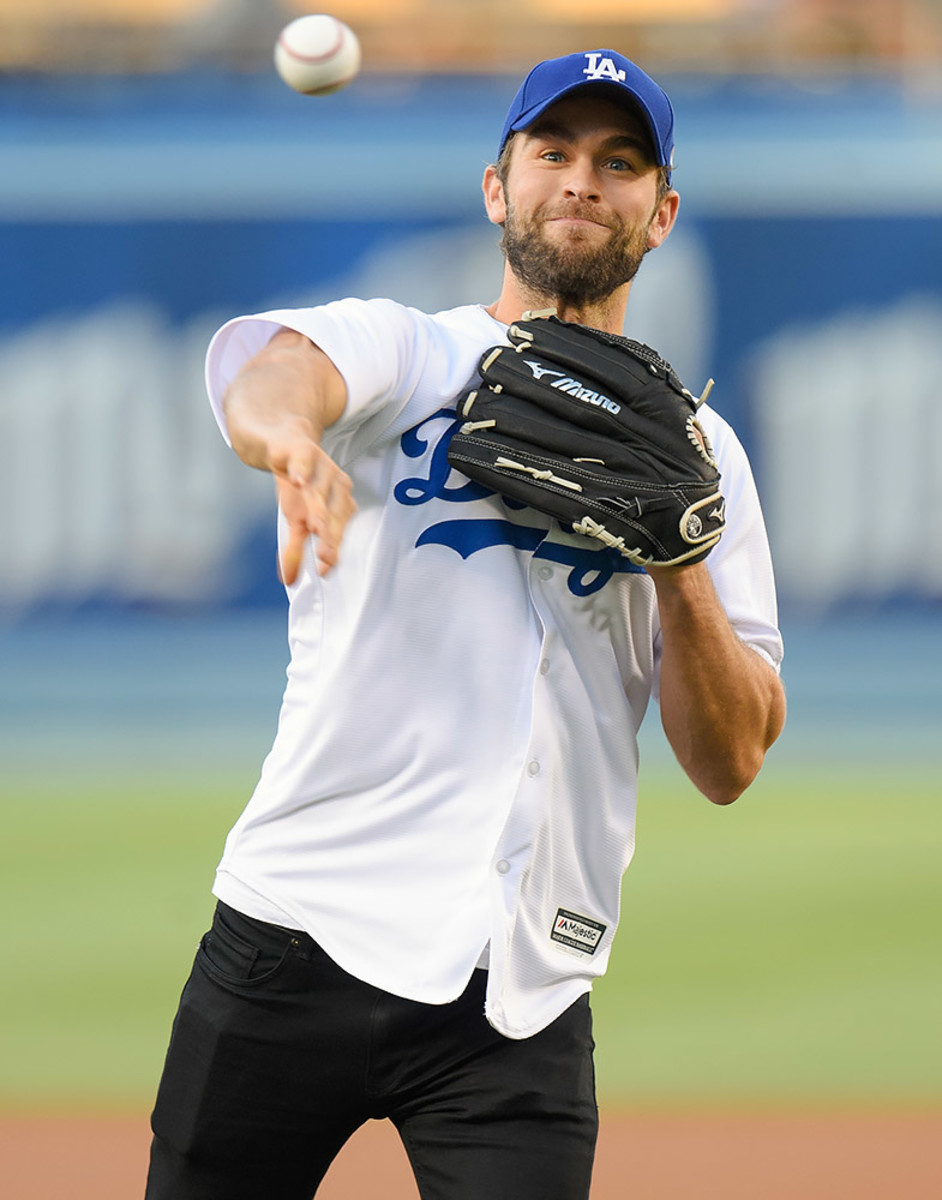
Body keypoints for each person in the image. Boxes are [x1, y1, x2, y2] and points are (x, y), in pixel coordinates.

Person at [145, 48, 786, 1200]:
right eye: (552, 152)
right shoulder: (413, 352)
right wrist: (287, 438)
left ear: (663, 210)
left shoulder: (706, 460)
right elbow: (278, 374)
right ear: (498, 187)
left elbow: (731, 759)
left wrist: (683, 567)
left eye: (619, 161)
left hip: (523, 989)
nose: (582, 181)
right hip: (297, 935)